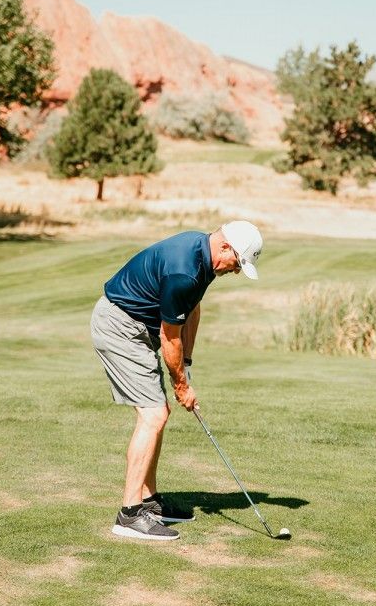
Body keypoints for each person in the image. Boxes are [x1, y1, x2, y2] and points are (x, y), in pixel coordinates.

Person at [90, 221, 263, 542]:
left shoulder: (203, 256)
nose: (236, 271)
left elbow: (192, 309)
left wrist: (187, 362)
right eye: (237, 263)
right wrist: (182, 385)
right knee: (154, 414)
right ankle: (129, 514)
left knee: (157, 413)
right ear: (225, 247)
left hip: (137, 327)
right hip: (121, 326)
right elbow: (169, 338)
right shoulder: (185, 270)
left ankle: (149, 501)